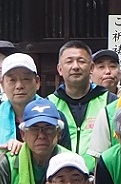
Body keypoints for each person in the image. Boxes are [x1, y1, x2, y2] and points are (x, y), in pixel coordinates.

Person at [48, 40, 114, 170]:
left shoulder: (110, 102)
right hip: (60, 180)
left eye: (81, 61)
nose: (75, 66)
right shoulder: (49, 104)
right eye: (69, 61)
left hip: (99, 179)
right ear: (60, 69)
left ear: (91, 68)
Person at [0, 53, 70, 156]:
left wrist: (24, 151)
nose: (19, 86)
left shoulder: (56, 117)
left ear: (37, 82)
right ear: (3, 85)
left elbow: (66, 158)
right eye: (12, 80)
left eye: (25, 79)